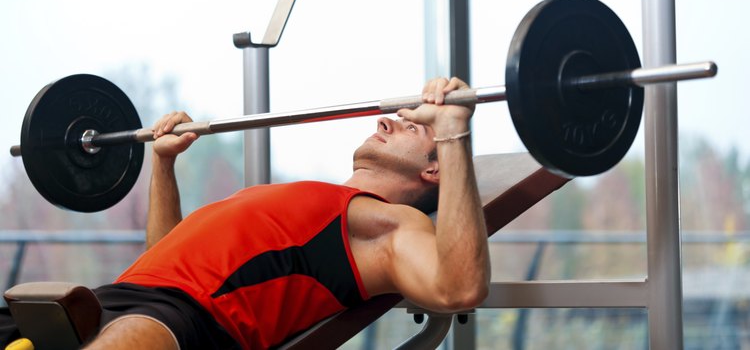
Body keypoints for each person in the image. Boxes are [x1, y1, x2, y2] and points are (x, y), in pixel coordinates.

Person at [1, 77, 490, 350]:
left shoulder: (387, 225)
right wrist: (164, 163)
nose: (385, 119)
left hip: (188, 325)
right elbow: (163, 254)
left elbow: (460, 286)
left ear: (434, 170)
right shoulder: (296, 195)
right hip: (118, 295)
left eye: (411, 128)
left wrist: (451, 130)